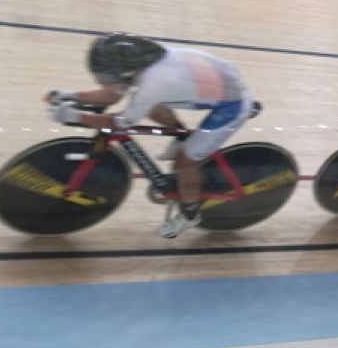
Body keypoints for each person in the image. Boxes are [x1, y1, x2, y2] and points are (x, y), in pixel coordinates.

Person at [45, 33, 254, 238]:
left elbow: (119, 122)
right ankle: (181, 136)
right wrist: (69, 96)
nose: (103, 80)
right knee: (151, 107)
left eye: (106, 76)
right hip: (216, 81)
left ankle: (190, 215)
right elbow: (110, 95)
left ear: (126, 70)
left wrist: (76, 116)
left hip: (231, 106)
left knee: (184, 163)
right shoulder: (143, 63)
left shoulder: (153, 84)